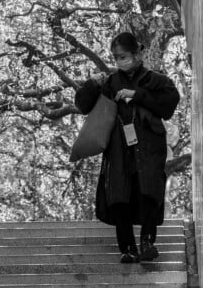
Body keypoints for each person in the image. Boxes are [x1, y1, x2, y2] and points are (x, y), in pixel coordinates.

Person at [75, 31, 180, 263]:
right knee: (119, 195)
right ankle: (128, 248)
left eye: (123, 56)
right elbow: (82, 105)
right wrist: (93, 84)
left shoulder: (156, 80)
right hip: (119, 148)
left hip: (149, 147)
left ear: (136, 54)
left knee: (149, 192)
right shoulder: (110, 82)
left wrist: (138, 95)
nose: (119, 61)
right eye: (116, 57)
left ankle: (147, 243)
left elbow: (169, 105)